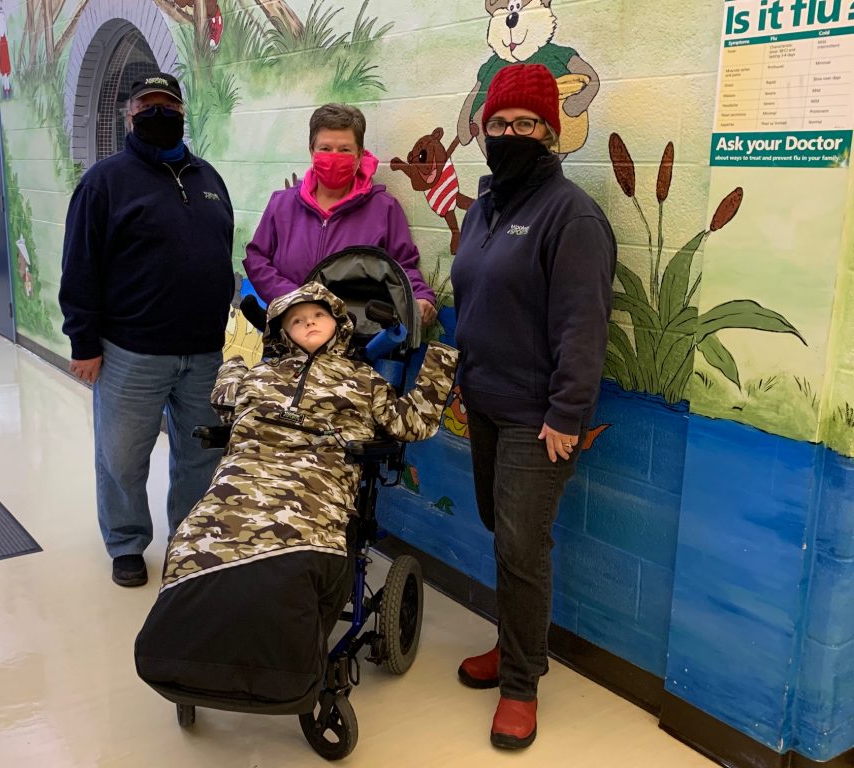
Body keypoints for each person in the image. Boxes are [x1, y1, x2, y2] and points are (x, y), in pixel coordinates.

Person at [135, 282, 458, 708]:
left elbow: (410, 423)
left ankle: (277, 667)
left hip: (316, 481)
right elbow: (223, 397)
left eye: (317, 316)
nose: (308, 322)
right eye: (296, 319)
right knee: (192, 537)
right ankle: (188, 658)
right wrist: (234, 362)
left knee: (296, 562)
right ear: (282, 333)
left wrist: (441, 360)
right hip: (248, 469)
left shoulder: (363, 380)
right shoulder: (262, 374)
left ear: (339, 325)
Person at [449, 63, 616, 749]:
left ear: (551, 133)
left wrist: (567, 413)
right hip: (483, 402)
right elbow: (477, 300)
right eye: (500, 123)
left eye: (526, 124)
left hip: (537, 417)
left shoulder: (571, 215)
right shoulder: (485, 207)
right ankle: (511, 641)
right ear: (484, 129)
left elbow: (584, 323)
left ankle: (521, 683)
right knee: (501, 529)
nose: (511, 133)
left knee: (522, 546)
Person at [59, 72, 234, 588]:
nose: (160, 113)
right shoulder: (104, 182)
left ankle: (189, 537)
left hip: (204, 352)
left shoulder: (208, 178)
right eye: (148, 105)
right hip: (131, 352)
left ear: (183, 112)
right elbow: (80, 267)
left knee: (201, 454)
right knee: (122, 456)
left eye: (169, 104)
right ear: (129, 116)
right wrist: (83, 343)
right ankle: (127, 543)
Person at [243, 103, 438, 327]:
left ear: (359, 156)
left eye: (345, 150)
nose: (334, 157)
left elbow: (402, 266)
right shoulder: (282, 204)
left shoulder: (384, 209)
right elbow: (256, 258)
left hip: (354, 342)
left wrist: (421, 296)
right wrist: (295, 299)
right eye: (325, 148)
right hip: (288, 333)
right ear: (311, 151)